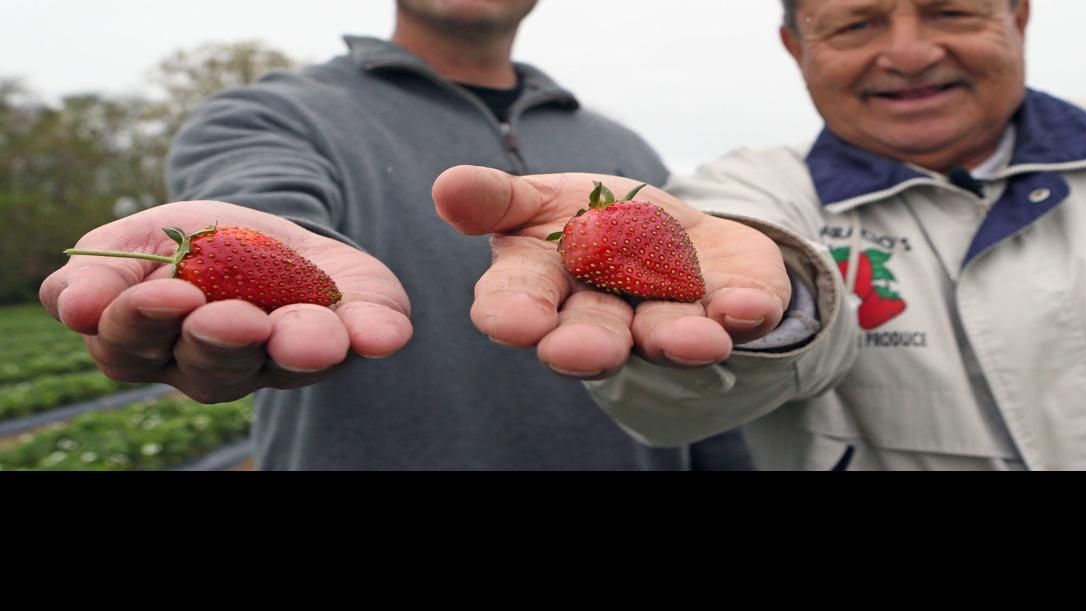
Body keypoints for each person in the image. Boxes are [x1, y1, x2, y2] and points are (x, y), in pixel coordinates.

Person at [432, 0, 1086, 470]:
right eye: (857, 22)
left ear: (1017, 15)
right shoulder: (751, 191)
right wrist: (777, 300)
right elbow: (673, 403)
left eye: (950, 11)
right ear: (797, 47)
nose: (908, 52)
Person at [38, 0, 753, 471]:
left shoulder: (620, 144)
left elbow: (700, 359)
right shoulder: (270, 114)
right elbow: (263, 202)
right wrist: (260, 244)